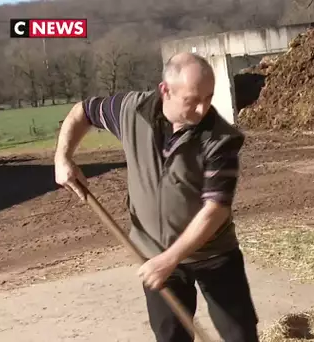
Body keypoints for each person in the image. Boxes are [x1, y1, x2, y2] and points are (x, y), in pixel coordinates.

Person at [54, 52, 259, 342]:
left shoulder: (221, 139)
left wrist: (170, 259)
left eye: (209, 97)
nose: (203, 109)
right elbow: (83, 111)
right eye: (192, 99)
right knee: (171, 337)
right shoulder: (131, 111)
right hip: (155, 253)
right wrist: (62, 157)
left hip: (213, 254)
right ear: (165, 91)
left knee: (241, 335)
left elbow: (216, 210)